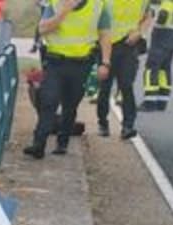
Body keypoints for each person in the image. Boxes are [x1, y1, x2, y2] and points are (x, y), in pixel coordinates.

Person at [24, 0, 113, 158]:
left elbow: (105, 35)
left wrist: (105, 62)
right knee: (48, 101)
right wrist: (63, 13)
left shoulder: (98, 5)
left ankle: (62, 142)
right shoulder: (56, 4)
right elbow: (43, 28)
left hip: (82, 64)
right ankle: (38, 144)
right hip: (55, 62)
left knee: (70, 105)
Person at [96, 0, 150, 137]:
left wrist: (139, 32)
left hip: (128, 45)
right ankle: (103, 122)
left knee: (126, 85)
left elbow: (148, 16)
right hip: (107, 44)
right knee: (105, 87)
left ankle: (128, 126)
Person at [142, 0, 173, 111]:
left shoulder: (167, 3)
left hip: (161, 36)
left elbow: (162, 18)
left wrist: (154, 17)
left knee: (151, 68)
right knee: (165, 69)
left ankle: (150, 102)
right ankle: (162, 102)